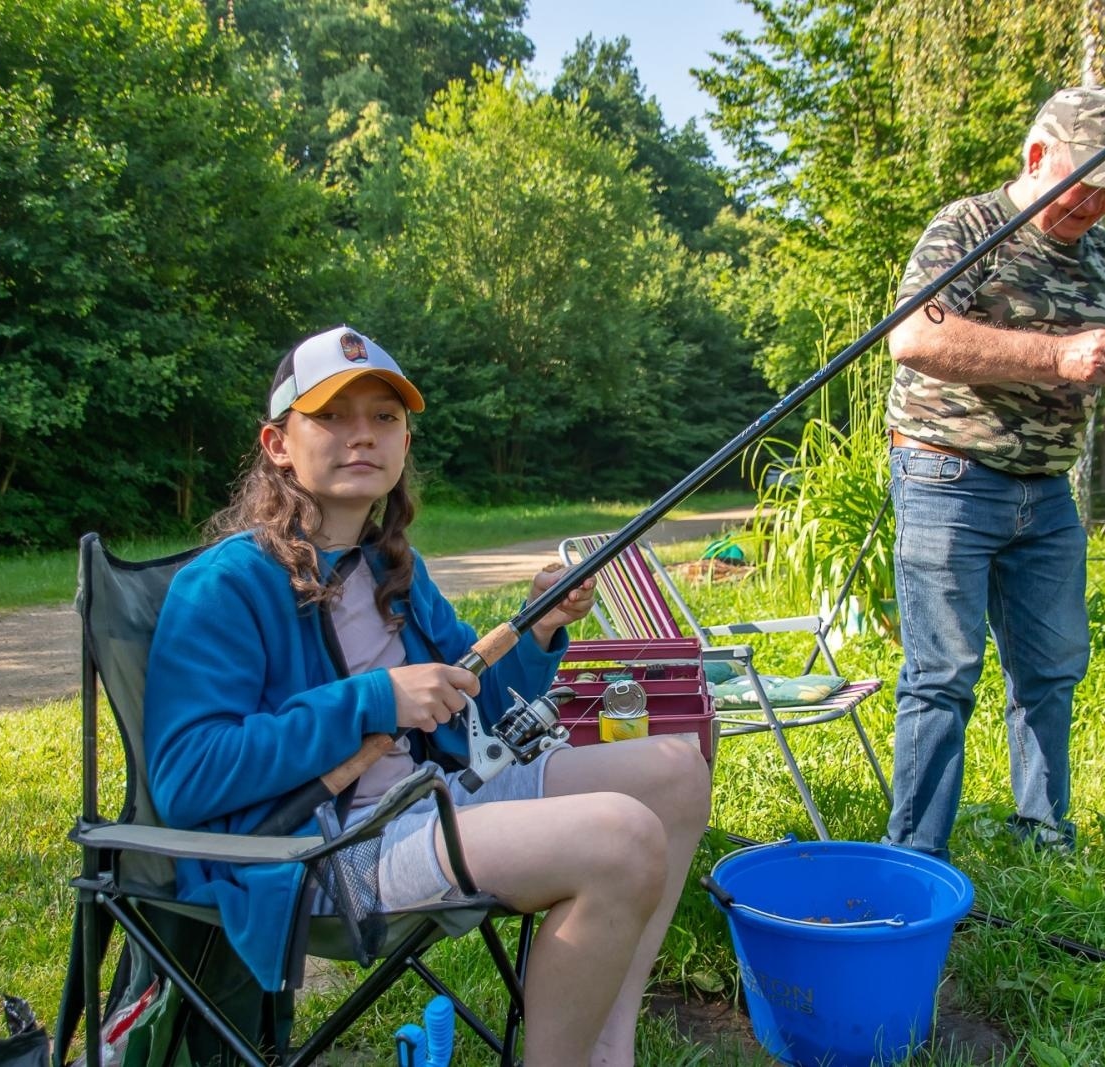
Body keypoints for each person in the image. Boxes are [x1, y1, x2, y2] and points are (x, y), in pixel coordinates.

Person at [143, 324, 713, 1066]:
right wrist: (372, 700)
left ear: (405, 442)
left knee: (673, 770)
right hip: (326, 848)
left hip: (430, 798)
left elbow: (476, 699)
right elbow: (187, 777)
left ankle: (610, 1044)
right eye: (332, 416)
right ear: (278, 443)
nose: (363, 436)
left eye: (384, 417)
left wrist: (537, 630)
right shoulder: (223, 585)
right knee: (619, 840)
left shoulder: (390, 570)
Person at [882, 87, 1105, 860]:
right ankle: (917, 856)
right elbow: (914, 337)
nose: (1094, 205)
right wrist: (1060, 355)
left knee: (1051, 669)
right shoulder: (970, 227)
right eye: (1083, 184)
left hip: (1047, 491)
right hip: (946, 475)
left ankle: (1044, 834)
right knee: (944, 674)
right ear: (1036, 157)